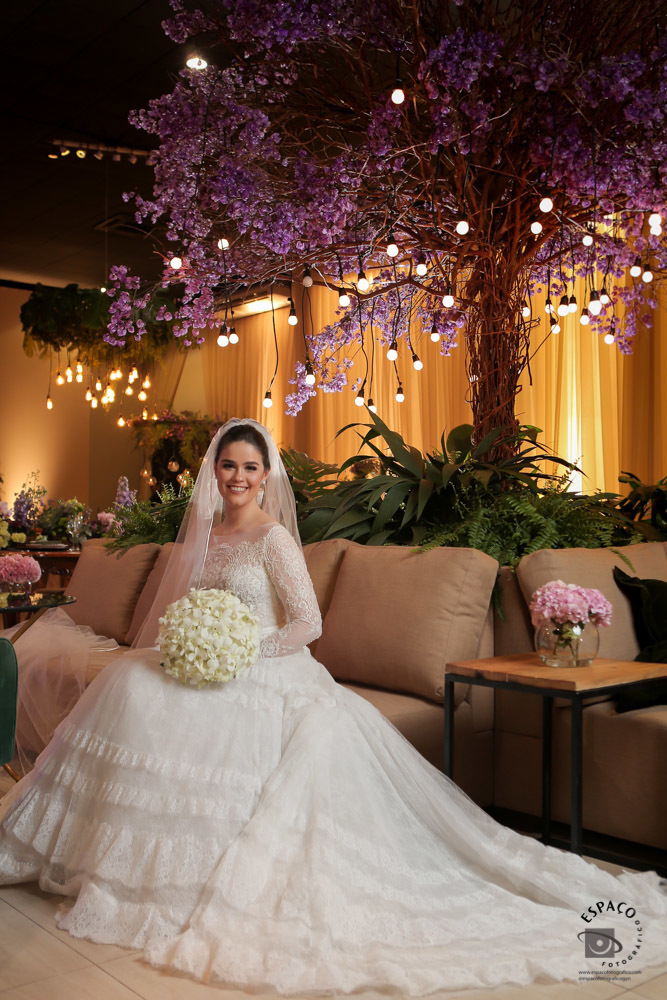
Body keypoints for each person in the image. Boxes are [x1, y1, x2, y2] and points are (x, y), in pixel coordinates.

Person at [0, 418, 665, 996]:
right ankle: (104, 865)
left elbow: (306, 624)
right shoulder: (203, 533)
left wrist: (241, 653)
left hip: (268, 665)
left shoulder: (272, 538)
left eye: (249, 467)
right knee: (131, 684)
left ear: (265, 476)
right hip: (204, 658)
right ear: (214, 471)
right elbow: (187, 606)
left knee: (166, 698)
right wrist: (189, 642)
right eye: (227, 465)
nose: (237, 476)